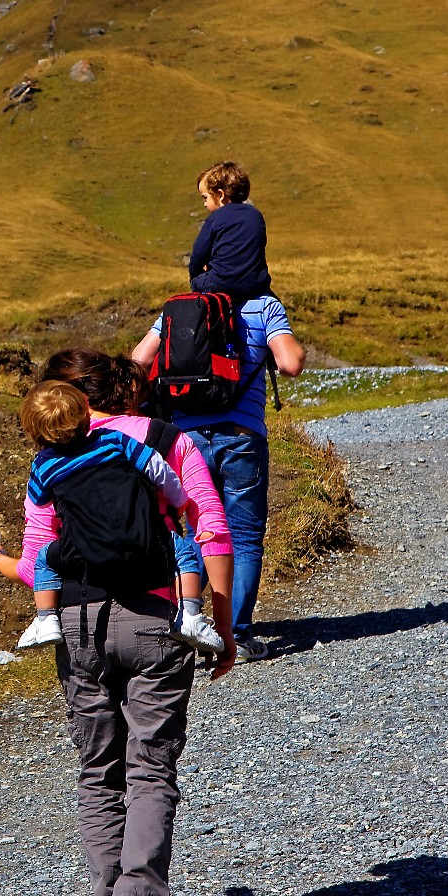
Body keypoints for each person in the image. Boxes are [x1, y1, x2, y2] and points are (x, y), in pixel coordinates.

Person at [0, 378, 236, 896]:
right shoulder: (146, 441)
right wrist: (220, 625)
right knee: (151, 769)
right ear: (94, 407)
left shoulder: (45, 470)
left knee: (97, 773)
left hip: (78, 627)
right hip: (154, 619)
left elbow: (39, 562)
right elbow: (205, 518)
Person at [132, 284, 306, 661]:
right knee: (243, 537)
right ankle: (239, 636)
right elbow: (291, 362)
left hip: (188, 440)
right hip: (243, 437)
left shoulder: (179, 307)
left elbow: (138, 359)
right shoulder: (264, 307)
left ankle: (186, 622)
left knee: (197, 530)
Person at [38, 347, 236, 654]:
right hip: (159, 611)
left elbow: (35, 558)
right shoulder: (167, 439)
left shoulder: (49, 461)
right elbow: (213, 530)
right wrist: (224, 628)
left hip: (79, 618)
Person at [188, 161, 271, 303]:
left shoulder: (215, 219)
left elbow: (198, 255)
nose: (205, 204)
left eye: (205, 198)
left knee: (197, 280)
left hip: (221, 284)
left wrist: (195, 276)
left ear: (220, 195)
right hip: (255, 284)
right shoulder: (256, 215)